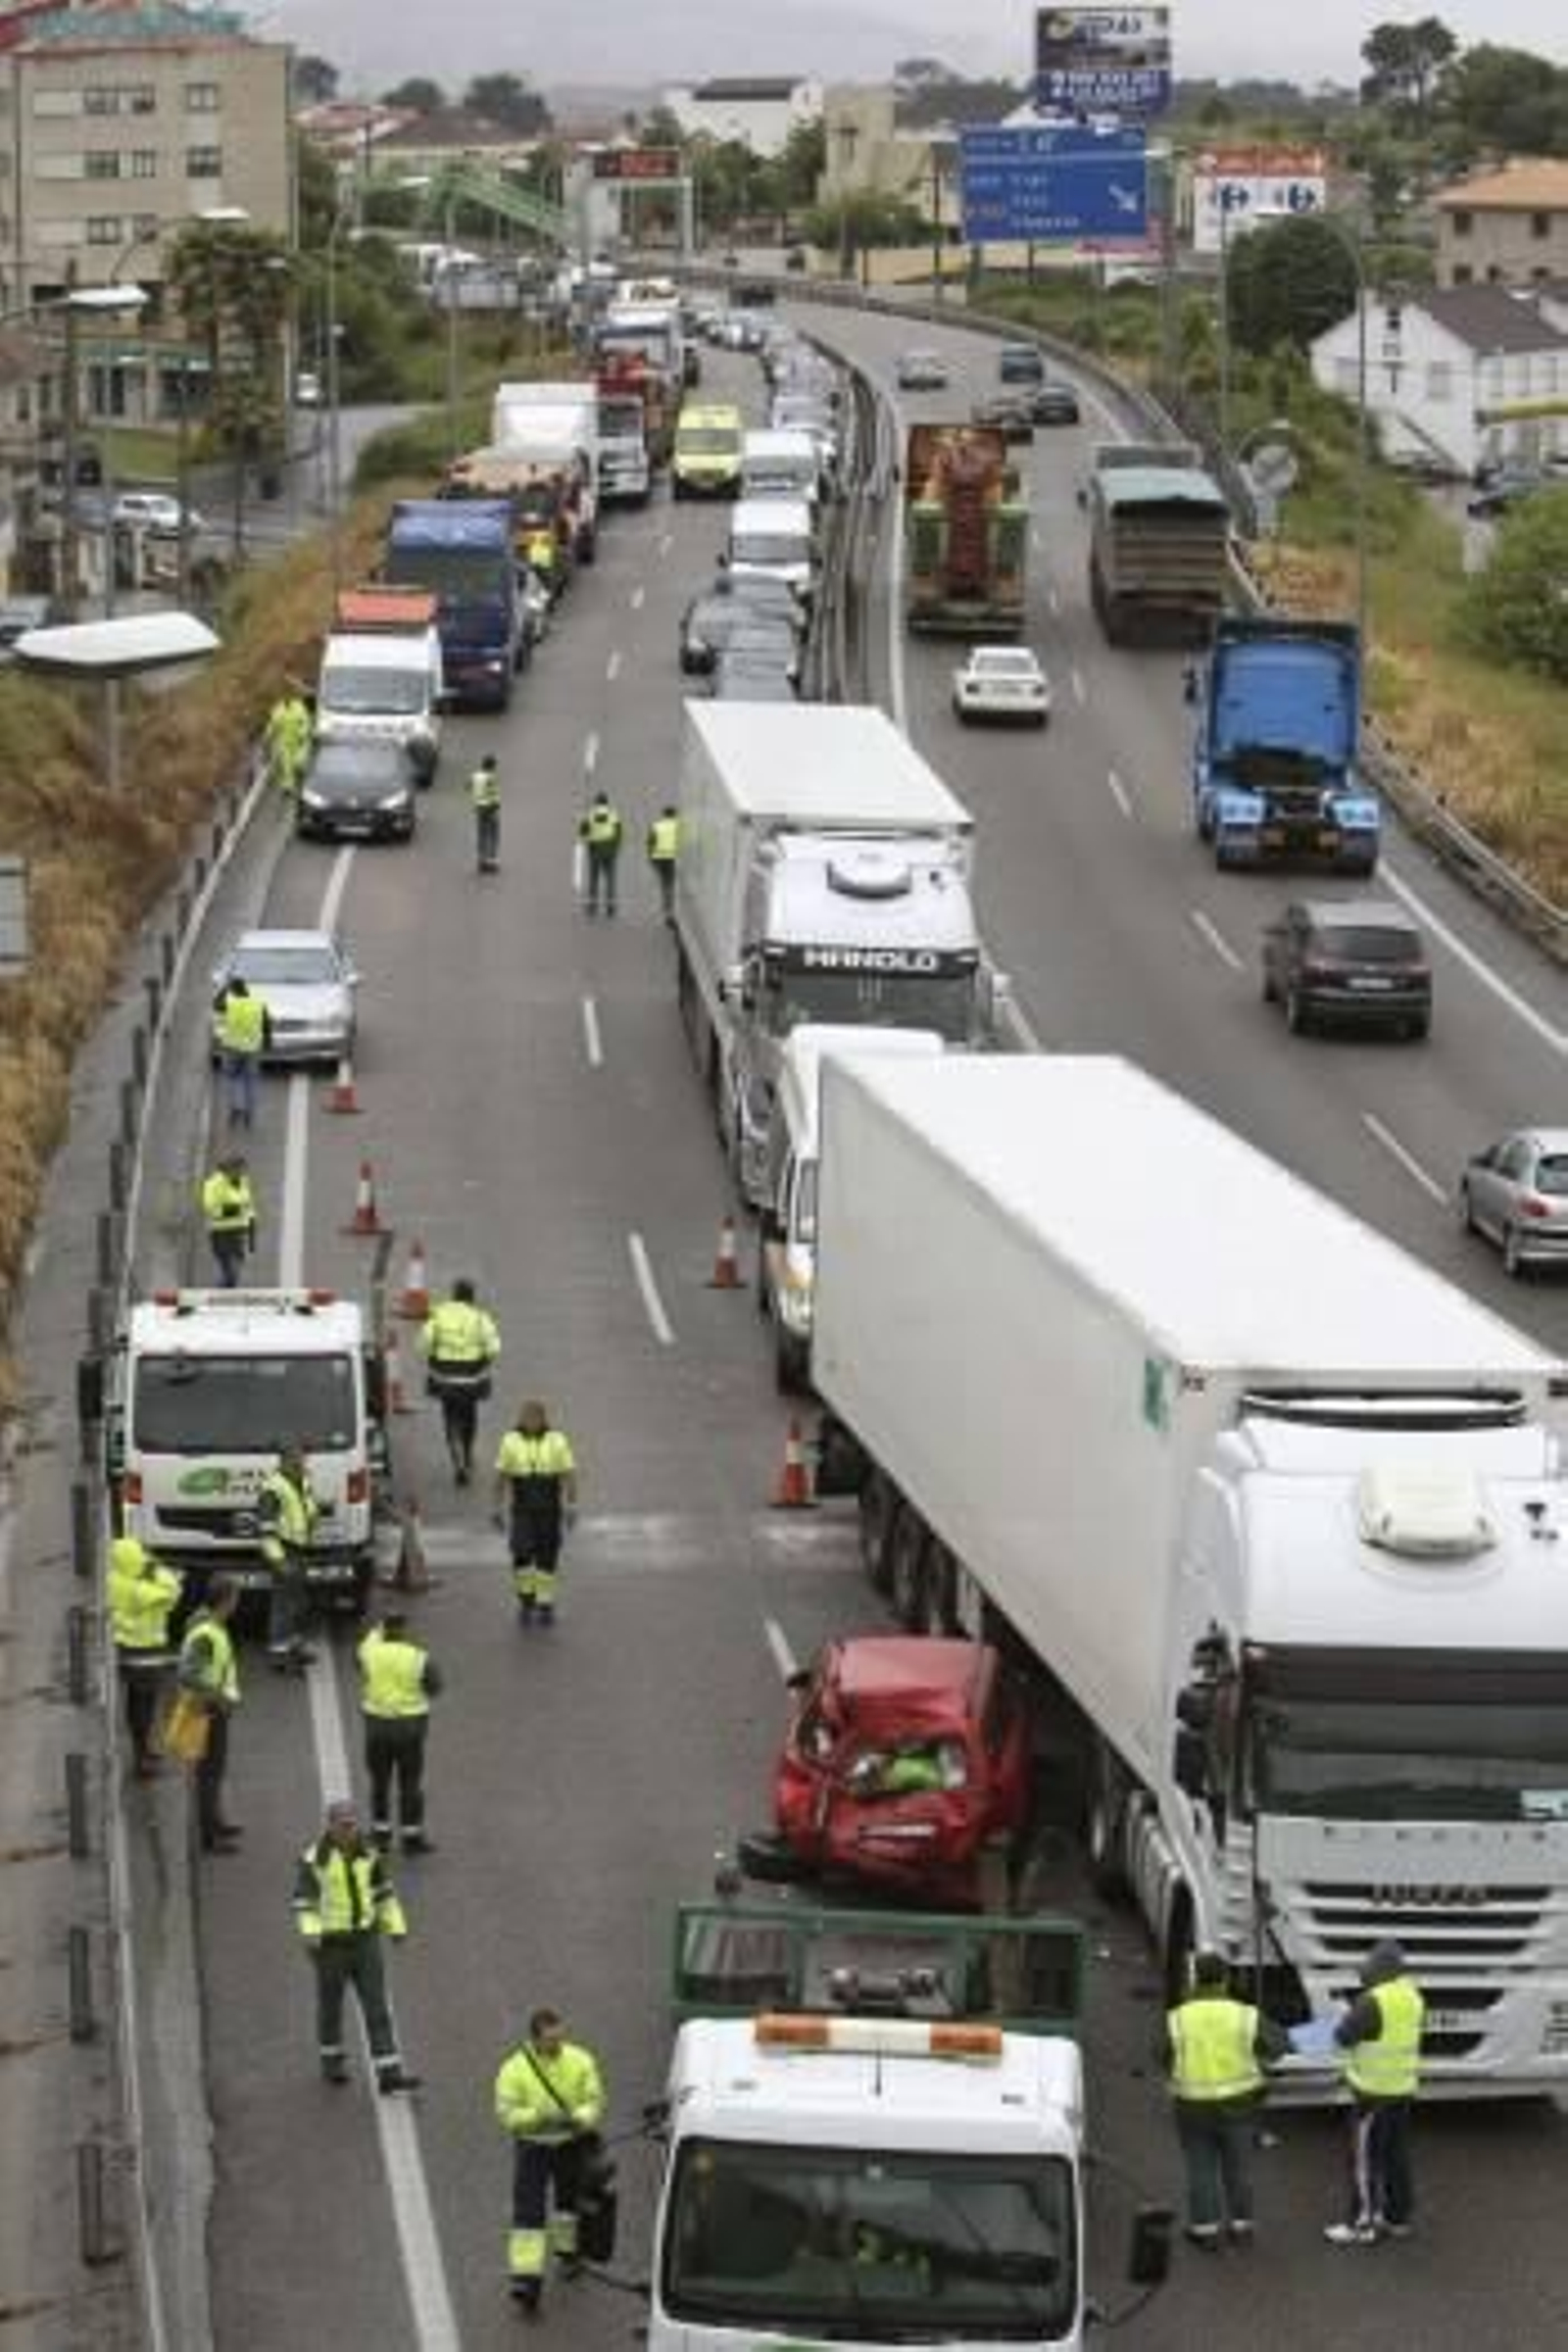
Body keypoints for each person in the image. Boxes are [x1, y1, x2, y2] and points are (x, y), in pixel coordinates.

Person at [293, 1797, 420, 2093]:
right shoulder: (315, 1860)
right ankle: (332, 2062)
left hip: (365, 1941)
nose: (350, 1830)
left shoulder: (369, 1854)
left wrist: (396, 1926)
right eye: (344, 1825)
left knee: (377, 2006)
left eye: (352, 1824)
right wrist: (311, 1932)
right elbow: (304, 1902)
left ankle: (389, 2073)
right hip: (330, 1946)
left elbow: (383, 1893)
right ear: (331, 1826)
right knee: (331, 2006)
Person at [1166, 1949, 1288, 2251]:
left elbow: (1160, 2054)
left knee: (1201, 2166)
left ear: (1194, 1979)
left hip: (1192, 2106)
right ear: (1225, 1979)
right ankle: (1242, 2226)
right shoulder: (1245, 2015)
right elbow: (1278, 2046)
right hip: (1240, 2105)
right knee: (1239, 2165)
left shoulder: (1178, 2018)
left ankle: (1205, 2230)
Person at [495, 2006, 606, 2311]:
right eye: (550, 2041)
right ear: (535, 2039)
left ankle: (567, 2254)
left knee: (567, 2205)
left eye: (560, 2038)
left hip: (570, 2145)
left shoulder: (581, 2060)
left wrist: (579, 2120)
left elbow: (594, 2099)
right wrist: (537, 2118)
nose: (557, 2046)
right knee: (528, 2214)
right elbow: (506, 2114)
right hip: (533, 2148)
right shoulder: (514, 2070)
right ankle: (526, 2279)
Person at [1325, 1938, 1426, 2247]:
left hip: (1372, 2094)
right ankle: (1397, 2218)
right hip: (1402, 2090)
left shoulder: (1372, 2000)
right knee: (1396, 2156)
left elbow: (1343, 2037)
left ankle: (1361, 2224)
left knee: (1364, 2160)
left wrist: (1346, 2015)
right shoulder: (1413, 1996)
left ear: (1377, 1969)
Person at [358, 1609, 442, 1854]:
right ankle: (412, 1837)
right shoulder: (419, 1657)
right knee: (410, 1783)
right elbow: (435, 1687)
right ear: (404, 1630)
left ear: (383, 1630)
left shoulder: (370, 1653)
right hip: (410, 1730)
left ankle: (381, 1834)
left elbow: (361, 1662)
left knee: (379, 1782)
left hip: (377, 1728)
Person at [494, 1400, 577, 1627]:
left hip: (549, 1508)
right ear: (520, 1419)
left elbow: (569, 1473)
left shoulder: (557, 1440)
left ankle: (545, 1602)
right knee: (521, 1552)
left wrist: (572, 1505)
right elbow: (501, 1475)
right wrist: (497, 1507)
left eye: (534, 1418)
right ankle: (525, 1597)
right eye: (525, 1418)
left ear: (543, 1419)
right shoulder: (509, 1440)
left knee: (547, 1556)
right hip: (522, 1508)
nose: (529, 1422)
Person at [107, 1534, 183, 1778]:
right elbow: (173, 1591)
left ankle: (142, 1750)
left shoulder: (113, 1580)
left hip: (125, 1649)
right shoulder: (142, 1590)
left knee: (135, 1704)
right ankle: (142, 1756)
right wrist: (156, 1568)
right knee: (145, 1707)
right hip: (146, 1653)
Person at [176, 1575, 243, 1853]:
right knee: (209, 1773)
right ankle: (210, 1835)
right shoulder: (205, 1633)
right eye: (235, 1599)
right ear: (225, 1601)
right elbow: (188, 1673)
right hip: (207, 1710)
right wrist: (219, 1696)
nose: (237, 1604)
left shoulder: (206, 1624)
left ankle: (216, 1822)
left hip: (210, 1708)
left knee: (213, 1771)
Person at [420, 1277, 502, 1484]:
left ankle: (457, 1462)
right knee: (470, 1415)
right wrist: (483, 1360)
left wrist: (432, 1357)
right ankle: (468, 1453)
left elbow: (424, 1344)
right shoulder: (480, 1317)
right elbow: (494, 1348)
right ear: (472, 1298)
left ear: (453, 1295)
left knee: (450, 1417)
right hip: (472, 1378)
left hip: (444, 1377)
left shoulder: (439, 1314)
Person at [257, 1445, 318, 1673]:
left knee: (299, 1603)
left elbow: (307, 1509)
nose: (302, 1465)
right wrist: (279, 1561)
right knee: (283, 1606)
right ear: (283, 1462)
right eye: (297, 1462)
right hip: (285, 1551)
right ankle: (279, 1656)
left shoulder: (302, 1481)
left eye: (302, 1461)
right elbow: (266, 1532)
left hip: (300, 1549)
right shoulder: (273, 1489)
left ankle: (294, 1648)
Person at [213, 976, 270, 1130]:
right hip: (252, 1048)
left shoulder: (230, 1004)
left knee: (232, 1079)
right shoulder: (258, 1004)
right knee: (250, 1082)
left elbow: (216, 1005)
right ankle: (250, 1114)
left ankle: (235, 1107)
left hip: (232, 1048)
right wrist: (267, 1043)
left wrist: (224, 988)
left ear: (233, 990)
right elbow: (266, 1025)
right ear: (246, 988)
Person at [201, 1151, 256, 1289]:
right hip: (219, 1229)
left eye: (243, 1169)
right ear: (229, 1168)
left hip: (238, 1228)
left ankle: (230, 1280)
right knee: (224, 1257)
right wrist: (235, 1210)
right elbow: (210, 1208)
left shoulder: (243, 1181)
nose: (242, 1172)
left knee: (237, 1258)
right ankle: (228, 1280)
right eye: (239, 1169)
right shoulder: (213, 1183)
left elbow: (248, 1203)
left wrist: (252, 1225)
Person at [578, 791, 623, 918]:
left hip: (595, 849)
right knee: (610, 878)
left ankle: (592, 906)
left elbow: (582, 832)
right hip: (609, 848)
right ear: (607, 802)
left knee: (593, 878)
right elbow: (619, 832)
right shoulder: (613, 814)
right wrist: (616, 847)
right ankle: (611, 907)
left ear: (596, 802)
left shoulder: (590, 815)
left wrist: (587, 840)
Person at [647, 805, 680, 921]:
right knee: (671, 884)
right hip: (671, 858)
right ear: (674, 815)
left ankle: (666, 908)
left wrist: (650, 858)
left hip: (659, 858)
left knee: (664, 884)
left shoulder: (656, 825)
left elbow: (650, 842)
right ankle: (670, 910)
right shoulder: (678, 826)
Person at [471, 755, 502, 875]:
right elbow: (493, 793)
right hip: (490, 809)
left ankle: (481, 860)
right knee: (493, 835)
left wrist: (476, 795)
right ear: (491, 766)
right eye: (494, 766)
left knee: (482, 834)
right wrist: (496, 805)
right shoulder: (491, 778)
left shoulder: (475, 776)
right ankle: (492, 861)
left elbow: (467, 786)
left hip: (479, 809)